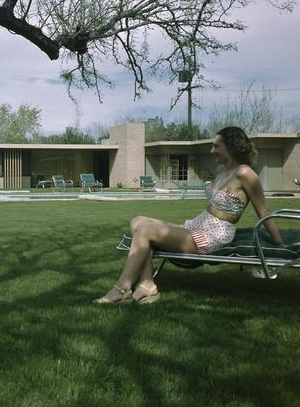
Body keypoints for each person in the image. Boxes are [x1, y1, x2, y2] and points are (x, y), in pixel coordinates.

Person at [94, 126, 284, 305]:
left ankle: (122, 288)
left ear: (231, 147)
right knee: (137, 221)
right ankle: (147, 285)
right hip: (198, 224)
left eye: (216, 146)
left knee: (144, 231)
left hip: (215, 233)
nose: (212, 150)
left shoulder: (245, 174)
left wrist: (279, 242)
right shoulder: (222, 171)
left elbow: (263, 212)